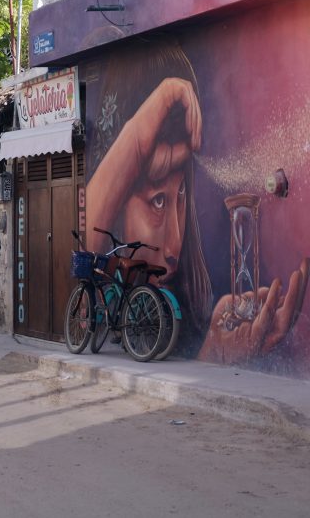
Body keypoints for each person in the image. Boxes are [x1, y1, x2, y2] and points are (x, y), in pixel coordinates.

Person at [86, 37, 307, 365]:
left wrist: (214, 352)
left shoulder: (190, 304)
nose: (175, 242)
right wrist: (133, 142)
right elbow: (90, 243)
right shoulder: (103, 217)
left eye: (180, 196)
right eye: (158, 201)